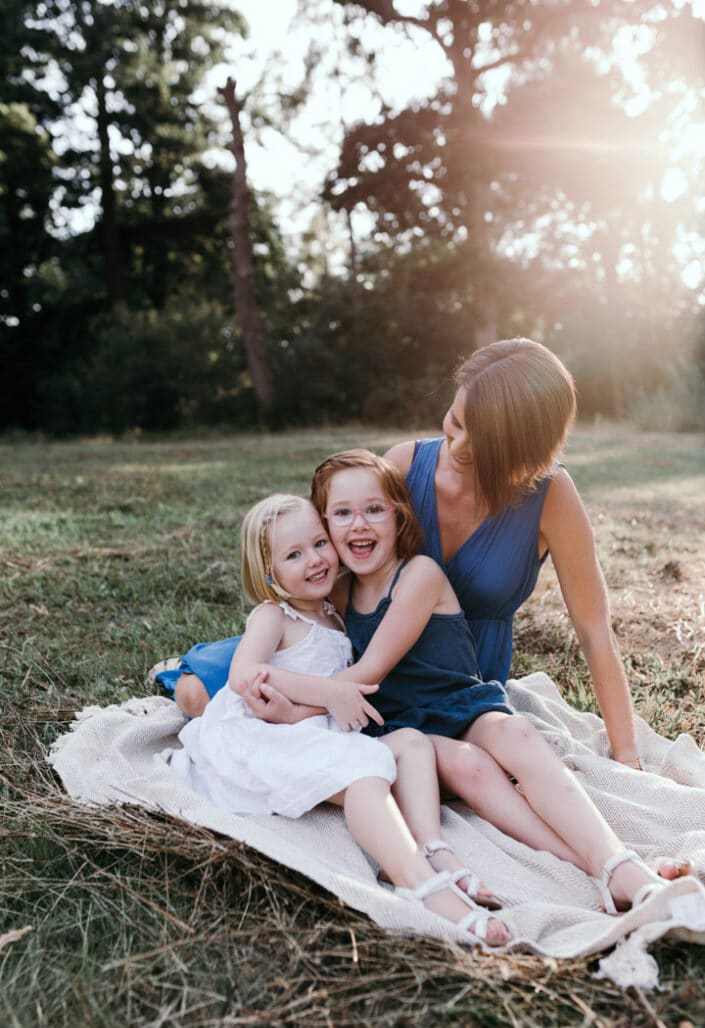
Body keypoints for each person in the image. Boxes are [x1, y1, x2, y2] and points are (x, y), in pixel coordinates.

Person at [156, 339, 642, 772]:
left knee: (454, 765)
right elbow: (336, 550)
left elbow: (595, 632)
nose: (459, 445)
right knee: (196, 694)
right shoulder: (407, 463)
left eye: (483, 440)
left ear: (523, 447)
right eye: (455, 422)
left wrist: (627, 756)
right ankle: (195, 664)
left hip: (449, 673)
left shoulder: (550, 494)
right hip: (355, 647)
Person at [247, 449, 694, 916]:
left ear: (398, 516)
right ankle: (594, 868)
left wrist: (296, 703)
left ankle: (616, 860)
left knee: (514, 732)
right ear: (325, 524)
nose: (359, 524)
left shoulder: (418, 574)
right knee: (472, 768)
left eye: (374, 510)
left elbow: (369, 671)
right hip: (402, 726)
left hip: (460, 703)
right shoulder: (336, 591)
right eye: (342, 514)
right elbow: (284, 628)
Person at [169, 493, 509, 944]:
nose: (314, 560)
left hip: (319, 731)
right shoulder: (273, 615)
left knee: (410, 743)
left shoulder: (334, 610)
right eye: (294, 555)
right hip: (264, 737)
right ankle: (418, 883)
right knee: (365, 774)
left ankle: (432, 847)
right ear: (268, 574)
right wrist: (330, 693)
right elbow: (244, 675)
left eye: (318, 544)